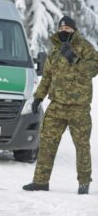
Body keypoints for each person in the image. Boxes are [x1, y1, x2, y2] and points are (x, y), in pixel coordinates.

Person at [22, 16, 98, 194]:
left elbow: (94, 69)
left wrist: (75, 59)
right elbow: (47, 77)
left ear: (74, 30)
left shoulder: (85, 47)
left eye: (68, 29)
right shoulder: (55, 50)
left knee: (82, 146)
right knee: (47, 143)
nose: (64, 31)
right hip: (56, 106)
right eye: (61, 28)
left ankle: (84, 183)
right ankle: (40, 182)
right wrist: (38, 97)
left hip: (79, 108)